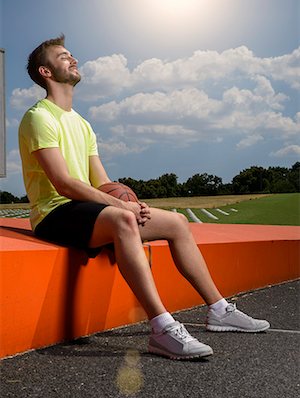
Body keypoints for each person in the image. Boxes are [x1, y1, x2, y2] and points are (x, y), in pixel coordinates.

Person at [19, 35, 270, 360]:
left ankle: (219, 310)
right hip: (53, 214)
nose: (73, 59)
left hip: (87, 211)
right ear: (46, 72)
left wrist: (131, 204)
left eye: (71, 54)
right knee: (123, 217)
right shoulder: (39, 116)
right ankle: (162, 329)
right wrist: (122, 207)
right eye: (63, 56)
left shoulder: (82, 124)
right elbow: (64, 184)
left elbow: (103, 181)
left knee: (178, 223)